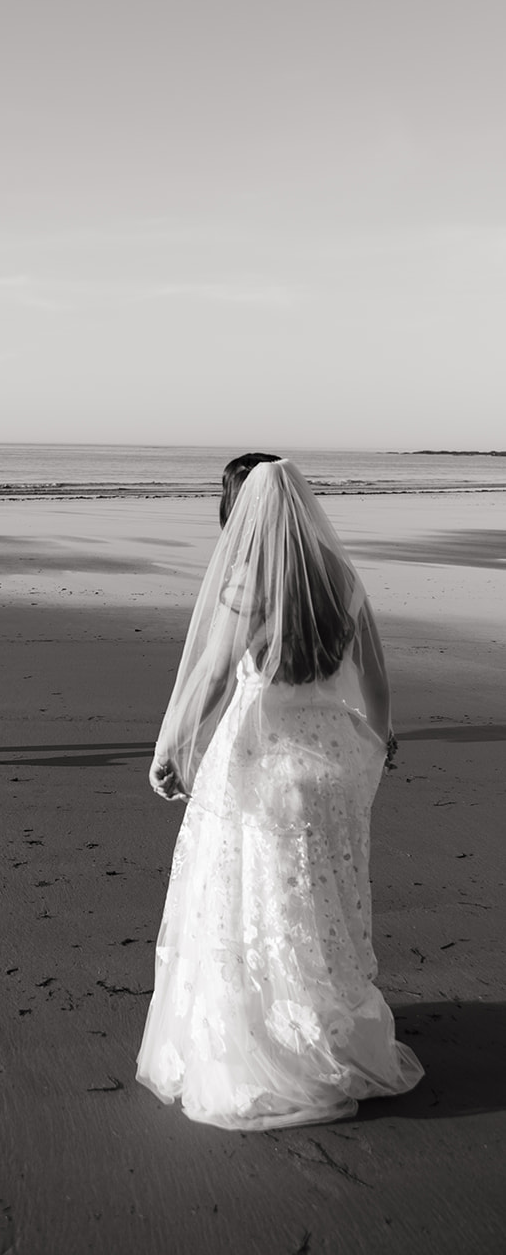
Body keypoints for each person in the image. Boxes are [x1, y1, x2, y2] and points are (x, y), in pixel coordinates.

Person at [136, 454, 423, 1129]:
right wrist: (376, 741)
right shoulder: (341, 580)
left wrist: (168, 747)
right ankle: (326, 1034)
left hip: (259, 765)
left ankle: (266, 1048)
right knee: (311, 911)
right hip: (327, 769)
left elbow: (208, 678)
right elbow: (376, 682)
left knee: (244, 907)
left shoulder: (246, 582)